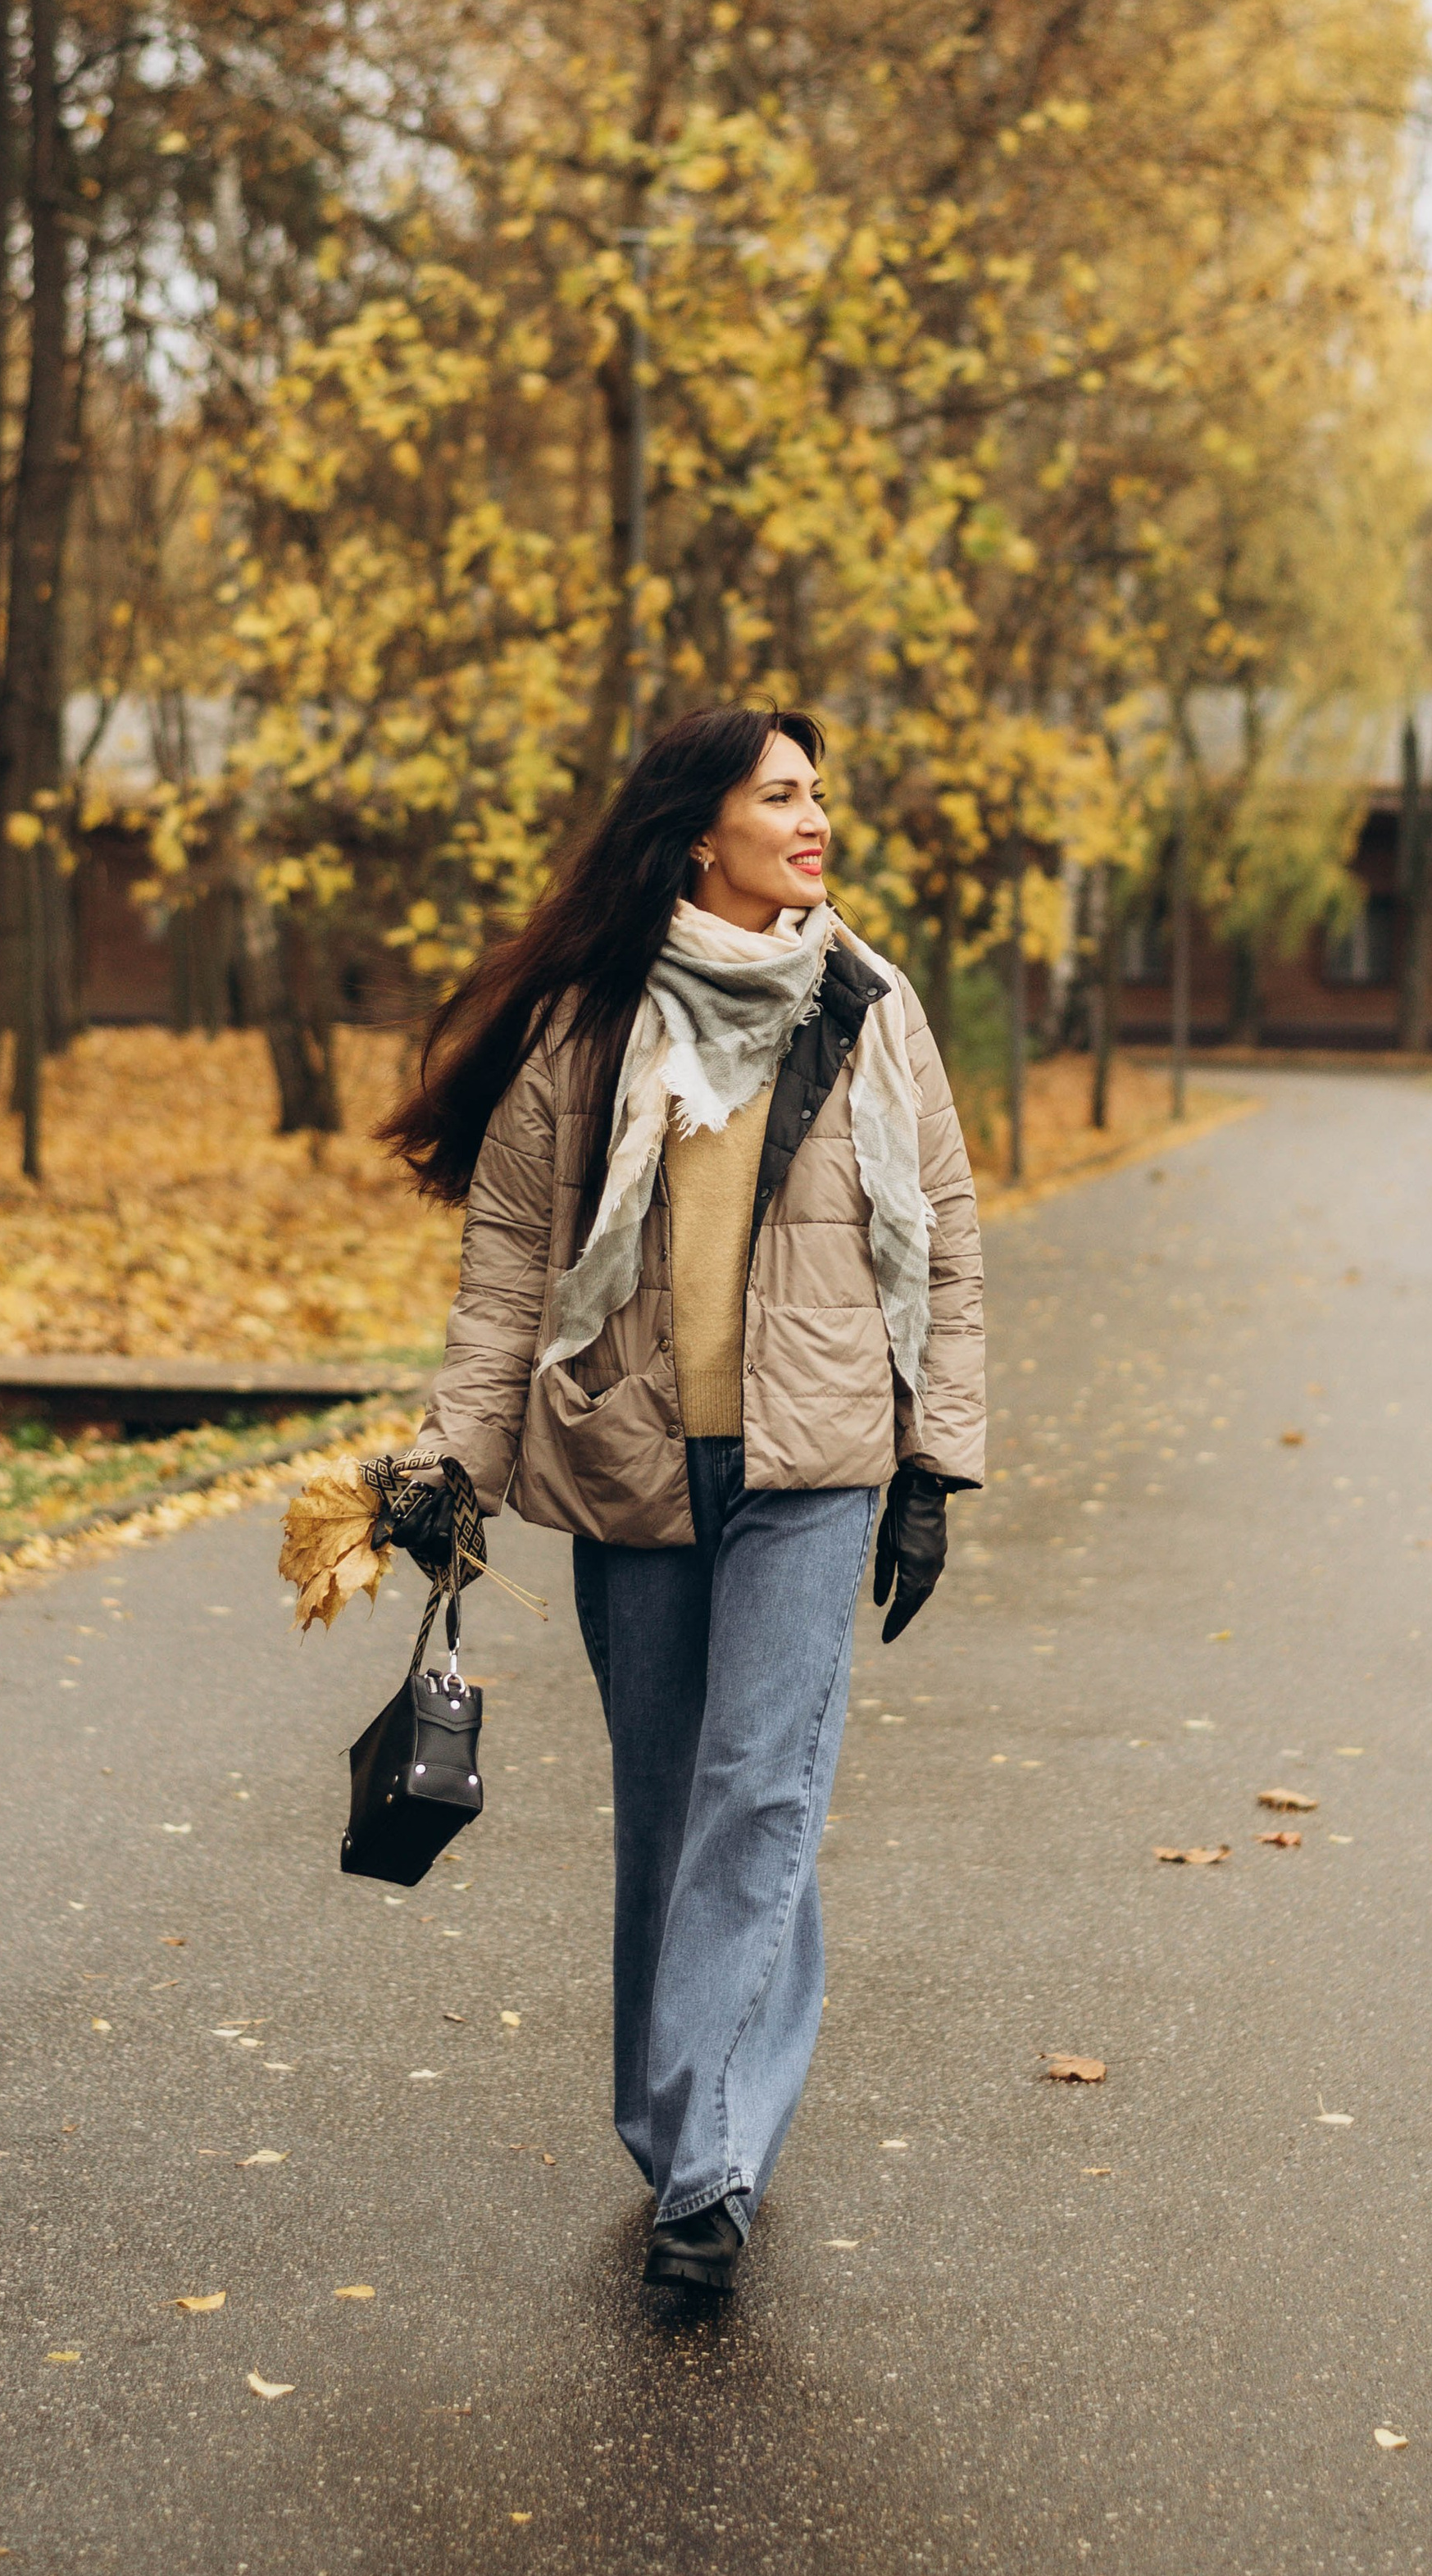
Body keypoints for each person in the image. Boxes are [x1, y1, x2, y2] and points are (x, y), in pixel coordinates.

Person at [379, 703, 984, 2295]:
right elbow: (511, 1256)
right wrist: (454, 1454)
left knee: (759, 1799)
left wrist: (931, 1467)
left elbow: (946, 1240)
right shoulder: (591, 1021)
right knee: (669, 1809)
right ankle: (681, 2129)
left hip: (812, 1467)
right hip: (634, 1461)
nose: (816, 818)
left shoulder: (866, 1005)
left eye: (819, 792)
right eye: (780, 793)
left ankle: (703, 2172)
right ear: (697, 827)